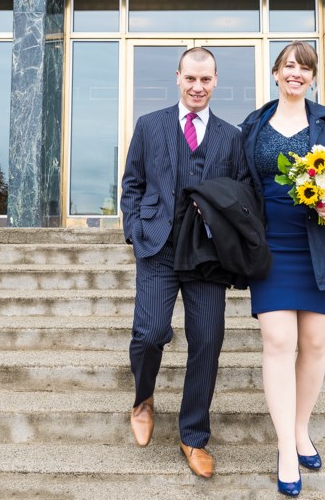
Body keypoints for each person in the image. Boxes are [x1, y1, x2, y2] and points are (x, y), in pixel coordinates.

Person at [120, 46, 250, 479]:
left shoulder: (232, 138)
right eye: (190, 79)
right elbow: (132, 185)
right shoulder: (149, 125)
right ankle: (143, 398)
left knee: (208, 342)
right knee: (150, 332)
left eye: (206, 80)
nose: (198, 87)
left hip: (206, 258)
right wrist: (135, 232)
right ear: (178, 77)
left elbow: (242, 197)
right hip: (157, 247)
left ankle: (193, 435)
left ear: (216, 81)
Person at [239, 41, 325, 497]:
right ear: (275, 73)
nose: (296, 74)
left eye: (304, 68)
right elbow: (242, 182)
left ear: (312, 77)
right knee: (278, 341)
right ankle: (286, 448)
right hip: (269, 248)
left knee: (313, 343)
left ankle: (302, 428)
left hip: (319, 244)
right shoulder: (253, 125)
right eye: (289, 66)